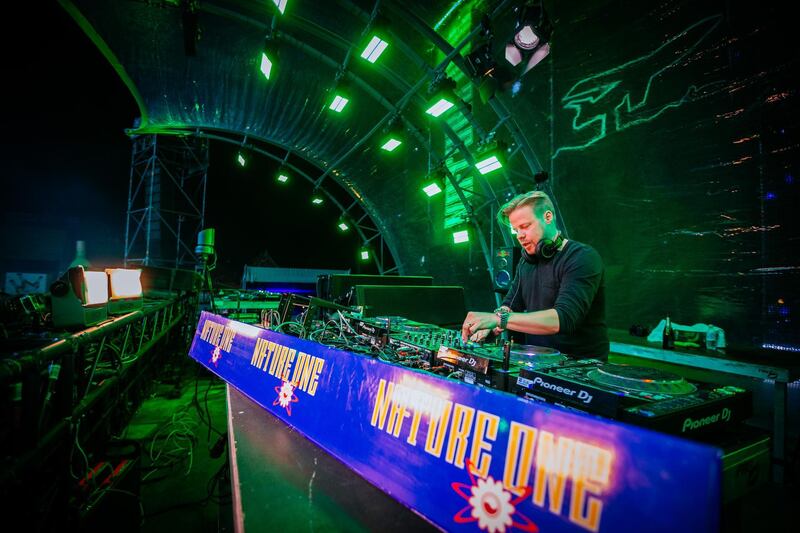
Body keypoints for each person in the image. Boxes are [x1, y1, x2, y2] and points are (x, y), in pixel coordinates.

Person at [461, 191, 609, 360]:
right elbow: (510, 304)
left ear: (548, 217)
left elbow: (564, 318)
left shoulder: (582, 257)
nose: (519, 236)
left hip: (578, 366)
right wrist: (488, 325)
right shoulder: (526, 263)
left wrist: (498, 319)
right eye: (515, 230)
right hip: (538, 360)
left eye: (524, 226)